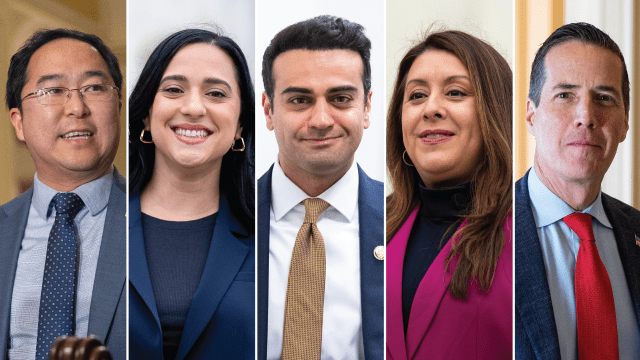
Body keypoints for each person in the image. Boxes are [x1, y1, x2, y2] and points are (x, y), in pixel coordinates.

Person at [258, 15, 383, 360]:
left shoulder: (401, 219)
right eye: (299, 100)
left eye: (341, 98)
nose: (322, 120)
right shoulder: (229, 213)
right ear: (268, 110)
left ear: (367, 107)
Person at [127, 29, 255, 360]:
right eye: (173, 90)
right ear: (145, 114)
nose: (194, 107)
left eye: (216, 93)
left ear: (240, 124)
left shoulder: (271, 230)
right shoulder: (99, 223)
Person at [515, 23, 640, 360]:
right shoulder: (475, 232)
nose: (586, 116)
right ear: (531, 114)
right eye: (565, 95)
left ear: (625, 121)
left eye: (604, 98)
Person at [385, 30, 513, 359]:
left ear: (495, 114)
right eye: (416, 96)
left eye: (455, 92)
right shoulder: (369, 225)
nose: (431, 109)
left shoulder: (530, 233)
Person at [0, 29, 125, 360]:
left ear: (119, 105)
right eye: (53, 90)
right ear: (19, 123)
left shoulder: (163, 222)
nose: (76, 107)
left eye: (94, 88)